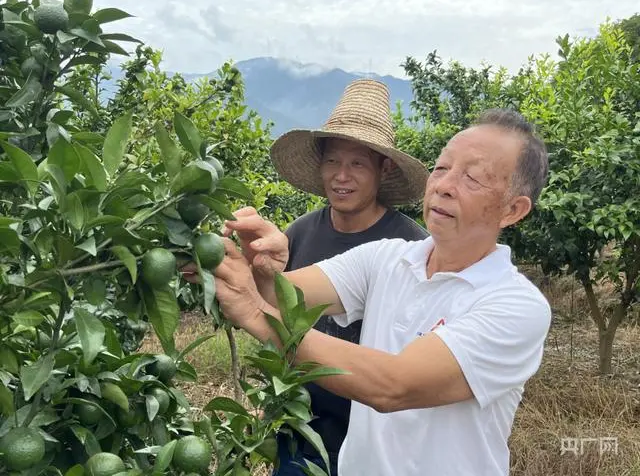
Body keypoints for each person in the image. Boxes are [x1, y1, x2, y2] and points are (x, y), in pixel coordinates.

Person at [187, 108, 552, 475]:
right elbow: (285, 296)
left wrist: (256, 314)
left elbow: (393, 384)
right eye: (442, 168)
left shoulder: (516, 306)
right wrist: (255, 270)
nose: (443, 185)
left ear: (512, 210)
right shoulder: (386, 258)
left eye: (472, 178)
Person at [266, 78, 428, 475]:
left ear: (383, 168)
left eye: (357, 163)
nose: (342, 176)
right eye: (333, 162)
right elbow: (273, 306)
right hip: (302, 427)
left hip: (377, 435)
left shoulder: (410, 245)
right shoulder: (299, 233)